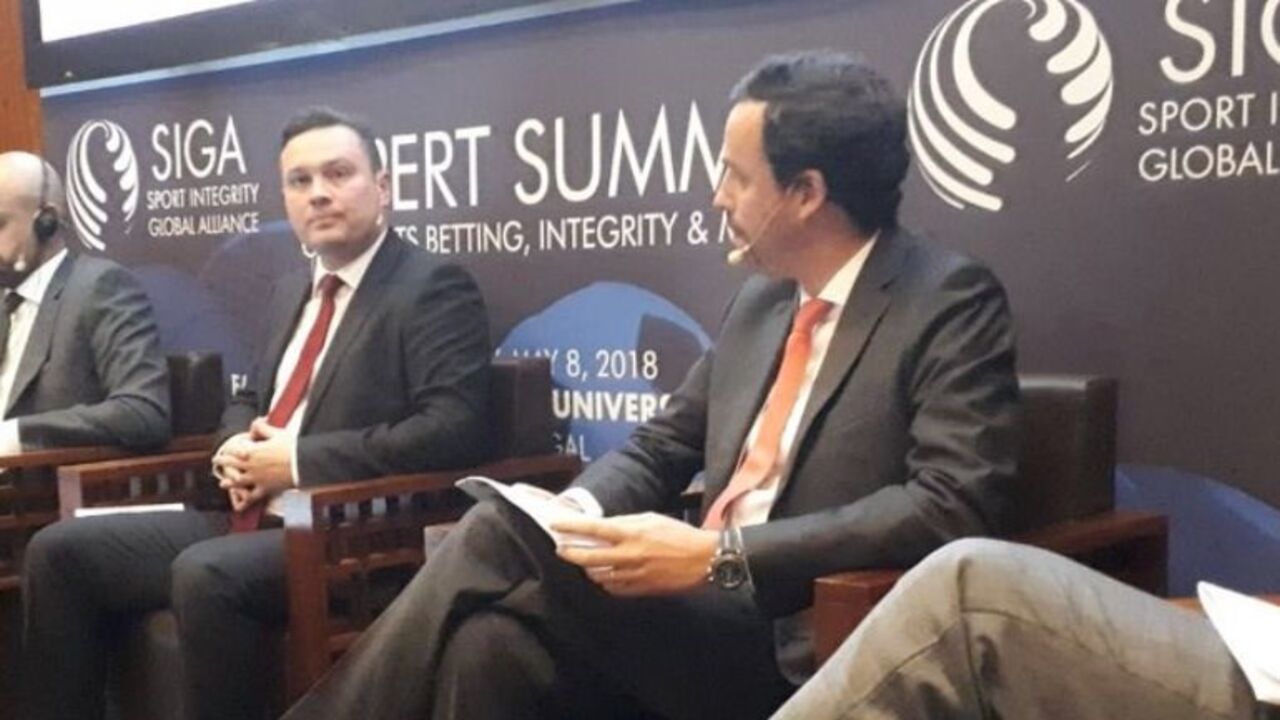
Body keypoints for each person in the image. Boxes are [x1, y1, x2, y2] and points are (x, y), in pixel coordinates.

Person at [281, 50, 1019, 720]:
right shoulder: (762, 303)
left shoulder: (946, 300)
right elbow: (663, 445)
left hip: (803, 630)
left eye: (736, 176)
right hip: (694, 610)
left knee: (494, 533)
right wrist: (572, 512)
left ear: (805, 193)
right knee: (490, 645)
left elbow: (950, 503)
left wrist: (722, 555)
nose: (718, 196)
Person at [21, 108, 493, 720]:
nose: (318, 193)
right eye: (300, 181)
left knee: (206, 573)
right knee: (59, 552)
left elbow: (454, 428)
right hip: (253, 514)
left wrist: (294, 463)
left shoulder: (432, 286)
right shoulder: (290, 287)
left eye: (338, 174)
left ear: (383, 187)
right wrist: (233, 447)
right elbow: (250, 399)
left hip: (349, 534)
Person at [770, 538, 1266, 720]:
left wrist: (736, 558)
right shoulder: (755, 339)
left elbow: (945, 500)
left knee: (970, 593)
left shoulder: (943, 328)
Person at [0, 151, 169, 452]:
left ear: (47, 222)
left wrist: (15, 436)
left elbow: (143, 411)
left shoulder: (100, 287)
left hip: (39, 478)